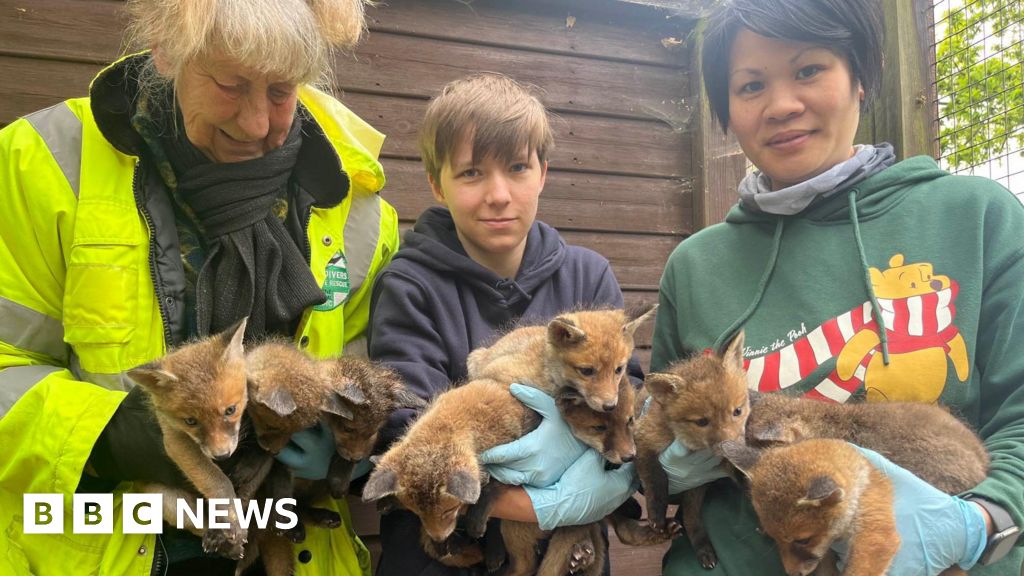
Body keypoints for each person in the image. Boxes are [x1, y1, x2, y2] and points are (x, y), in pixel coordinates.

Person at [0, 0, 399, 574]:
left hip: (288, 545)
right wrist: (114, 437)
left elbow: (372, 364)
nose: (258, 123)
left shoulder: (357, 204)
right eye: (232, 84)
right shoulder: (43, 162)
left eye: (283, 91)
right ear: (167, 50)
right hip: (102, 537)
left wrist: (349, 447)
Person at [651, 0, 1024, 574]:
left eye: (807, 71)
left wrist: (984, 522)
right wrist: (651, 462)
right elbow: (661, 426)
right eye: (750, 85)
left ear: (860, 78)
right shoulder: (696, 266)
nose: (781, 105)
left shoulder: (976, 218)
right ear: (725, 108)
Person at [367, 73, 640, 576]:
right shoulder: (409, 286)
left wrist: (612, 478)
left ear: (543, 173)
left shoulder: (588, 274)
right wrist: (541, 505)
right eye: (471, 173)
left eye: (517, 167)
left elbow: (631, 391)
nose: (498, 194)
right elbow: (406, 432)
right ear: (436, 183)